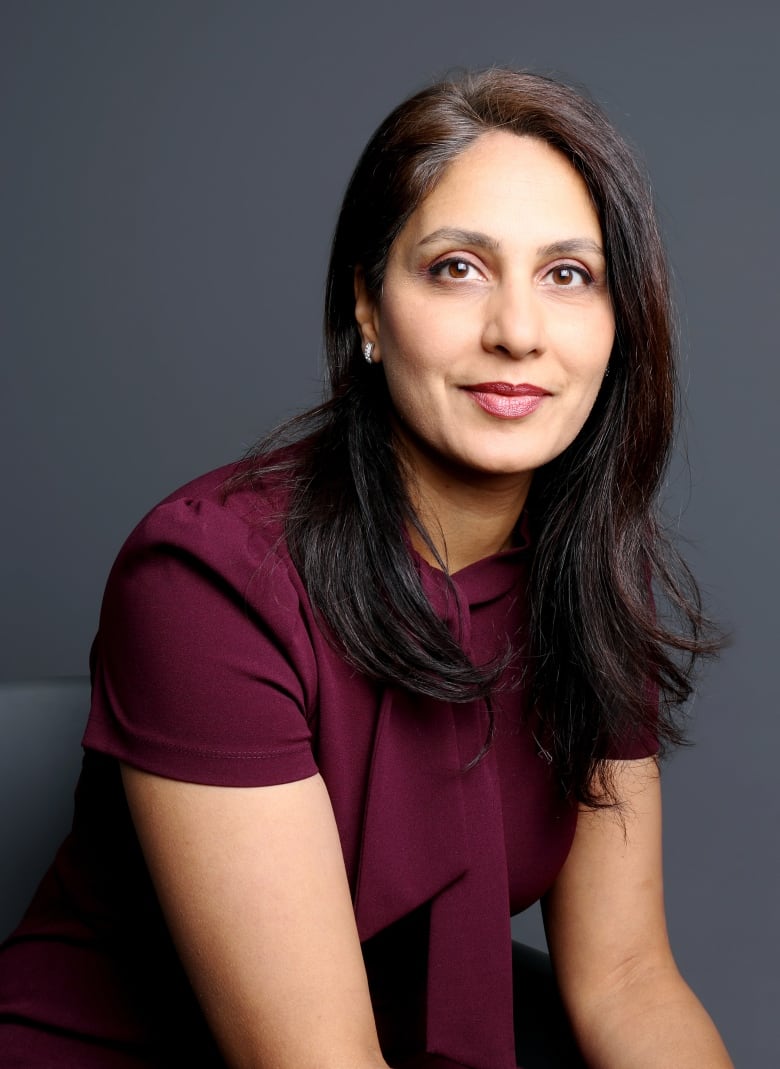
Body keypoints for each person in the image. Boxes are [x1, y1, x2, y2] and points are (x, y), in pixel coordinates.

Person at [0, 68, 733, 1069]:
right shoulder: (205, 582)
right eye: (457, 268)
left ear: (619, 325)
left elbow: (627, 979)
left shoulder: (589, 575)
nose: (517, 330)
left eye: (568, 275)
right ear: (369, 309)